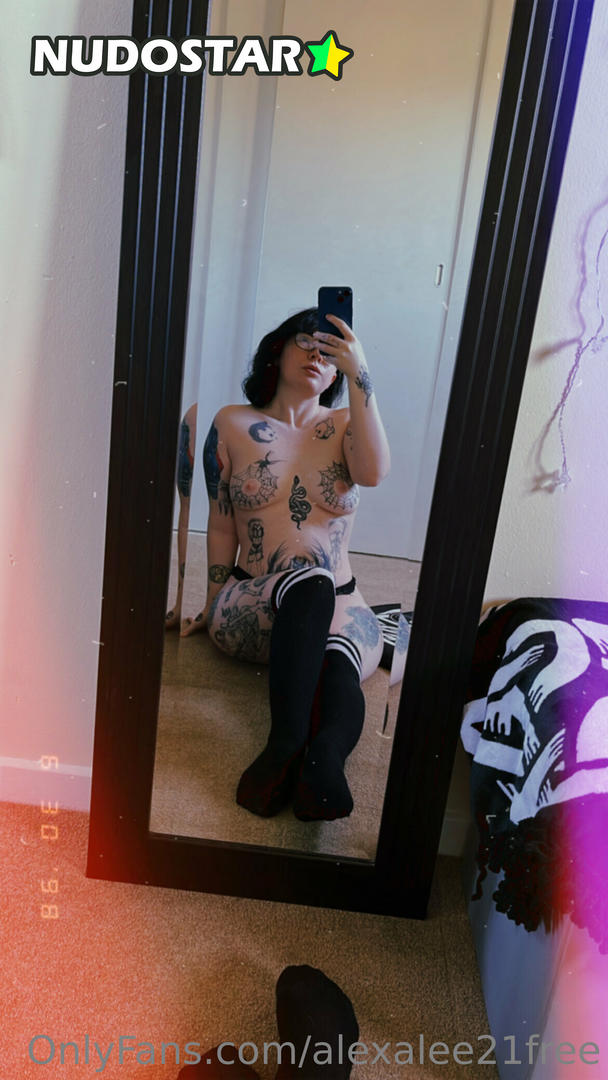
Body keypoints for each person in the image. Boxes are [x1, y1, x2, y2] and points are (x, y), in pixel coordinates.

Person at [182, 307, 390, 821]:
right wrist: (211, 602)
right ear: (277, 348)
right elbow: (222, 523)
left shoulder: (347, 424)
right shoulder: (231, 423)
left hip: (342, 605)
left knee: (339, 664)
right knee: (310, 581)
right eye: (307, 341)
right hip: (256, 604)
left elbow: (373, 473)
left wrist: (361, 374)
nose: (318, 355)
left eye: (331, 351)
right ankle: (286, 742)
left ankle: (325, 763)